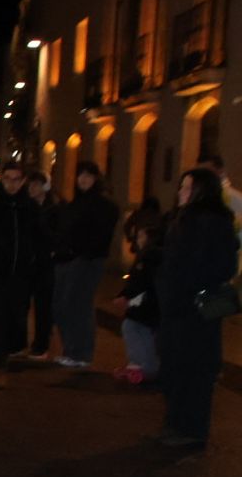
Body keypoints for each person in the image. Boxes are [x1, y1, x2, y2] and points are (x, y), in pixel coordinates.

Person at [153, 168, 239, 450]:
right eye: (181, 187)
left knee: (196, 369)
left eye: (187, 188)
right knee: (175, 365)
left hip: (198, 306)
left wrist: (192, 282)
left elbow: (224, 265)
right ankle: (176, 421)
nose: (180, 192)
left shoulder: (215, 222)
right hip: (177, 305)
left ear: (202, 191)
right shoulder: (181, 219)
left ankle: (191, 428)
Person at [51, 161, 120, 369]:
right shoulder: (75, 204)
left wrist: (84, 250)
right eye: (81, 175)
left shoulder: (103, 205)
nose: (83, 179)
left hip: (89, 260)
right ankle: (72, 350)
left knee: (78, 304)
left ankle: (81, 352)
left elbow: (99, 234)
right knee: (64, 305)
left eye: (88, 175)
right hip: (71, 259)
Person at [0, 161, 39, 385]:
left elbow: (39, 237)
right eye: (8, 179)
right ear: (1, 179)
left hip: (22, 275)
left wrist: (34, 261)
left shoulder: (30, 207)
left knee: (18, 316)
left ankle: (12, 350)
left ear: (23, 181)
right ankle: (0, 366)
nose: (12, 184)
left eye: (16, 179)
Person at [112, 221, 161, 385]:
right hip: (150, 303)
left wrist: (125, 297)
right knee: (136, 328)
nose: (137, 239)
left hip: (148, 303)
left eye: (141, 236)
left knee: (133, 327)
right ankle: (138, 364)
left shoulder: (148, 256)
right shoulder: (150, 255)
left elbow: (140, 281)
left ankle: (145, 367)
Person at [24, 172, 60, 361]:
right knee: (23, 303)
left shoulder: (52, 209)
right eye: (30, 185)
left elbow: (54, 235)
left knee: (43, 305)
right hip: (28, 261)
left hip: (45, 262)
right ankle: (24, 342)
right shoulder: (27, 207)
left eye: (36, 185)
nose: (32, 189)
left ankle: (41, 344)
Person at [198, 154, 242, 247]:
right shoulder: (202, 197)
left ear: (220, 171)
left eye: (207, 173)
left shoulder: (230, 196)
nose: (203, 178)